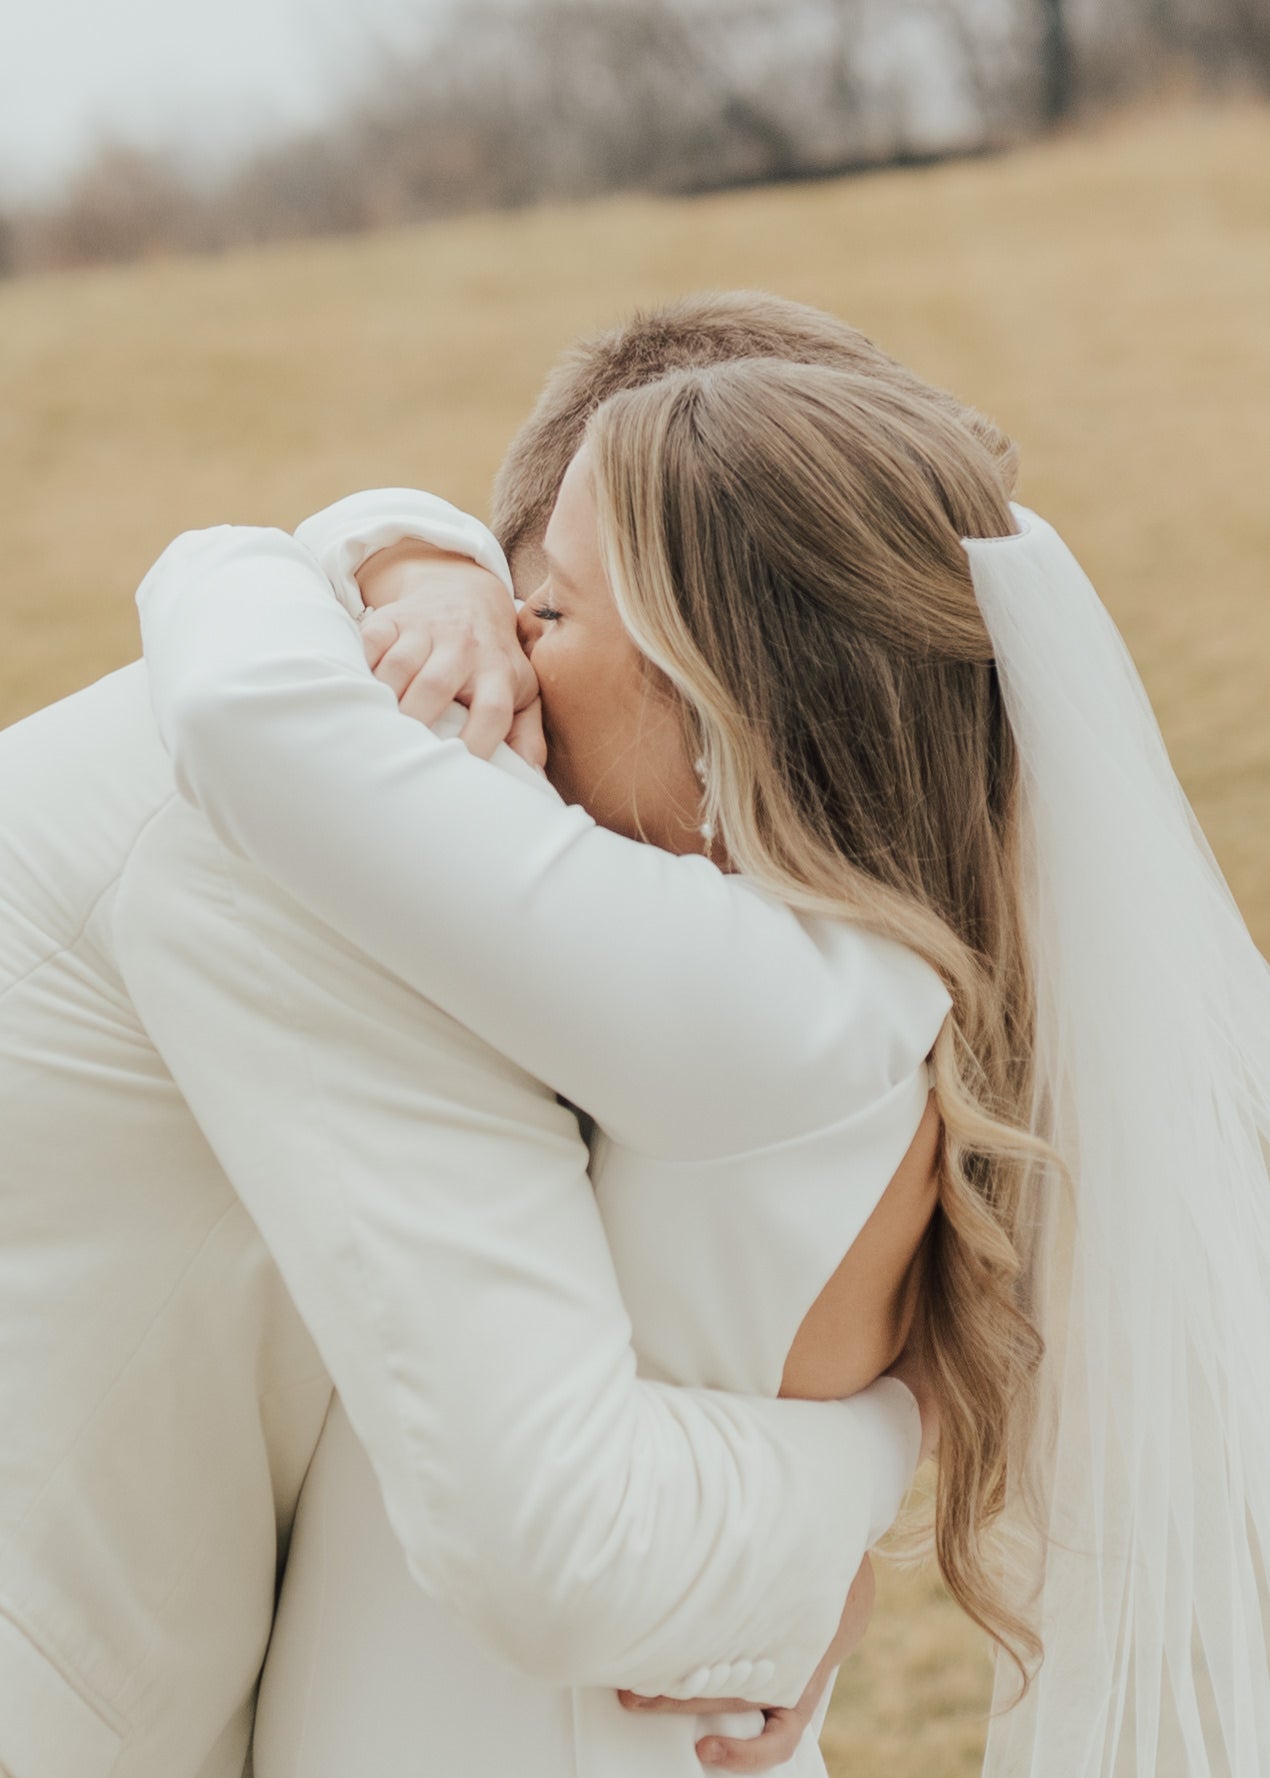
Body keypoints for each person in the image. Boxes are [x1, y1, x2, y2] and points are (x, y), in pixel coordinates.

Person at [130, 347, 1270, 1778]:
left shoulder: (754, 1001)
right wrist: (432, 557)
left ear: (714, 697)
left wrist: (395, 554)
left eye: (550, 604)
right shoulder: (871, 985)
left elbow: (239, 693)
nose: (513, 638)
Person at [0, 294, 968, 1778]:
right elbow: (551, 1531)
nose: (506, 650)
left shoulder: (631, 933)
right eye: (525, 601)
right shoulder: (364, 826)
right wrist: (853, 1471)